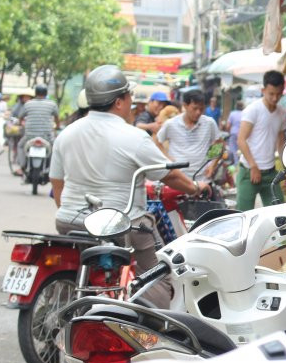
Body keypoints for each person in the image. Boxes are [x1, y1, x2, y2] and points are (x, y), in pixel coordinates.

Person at [49, 65, 209, 308]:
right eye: (129, 97)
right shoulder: (133, 136)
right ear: (119, 102)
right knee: (156, 273)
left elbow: (57, 183)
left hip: (70, 222)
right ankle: (158, 327)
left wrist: (70, 211)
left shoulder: (67, 134)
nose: (132, 102)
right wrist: (195, 187)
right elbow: (170, 176)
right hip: (121, 225)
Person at [236, 70, 286, 210]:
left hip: (271, 172)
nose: (275, 98)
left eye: (278, 94)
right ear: (263, 90)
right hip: (249, 170)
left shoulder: (282, 113)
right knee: (243, 216)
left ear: (283, 91)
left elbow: (281, 142)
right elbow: (241, 140)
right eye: (271, 94)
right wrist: (254, 166)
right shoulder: (253, 110)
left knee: (279, 214)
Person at [156, 90, 221, 179]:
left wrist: (212, 164)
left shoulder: (209, 123)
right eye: (194, 108)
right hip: (178, 179)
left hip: (202, 178)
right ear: (185, 106)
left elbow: (218, 143)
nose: (198, 112)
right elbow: (157, 142)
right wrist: (168, 158)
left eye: (201, 109)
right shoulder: (171, 124)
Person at [17, 84, 59, 178]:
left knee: (20, 145)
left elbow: (20, 117)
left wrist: (21, 124)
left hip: (30, 136)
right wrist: (57, 127)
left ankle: (22, 166)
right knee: (56, 148)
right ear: (46, 93)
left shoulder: (28, 104)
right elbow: (57, 119)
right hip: (47, 136)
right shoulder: (52, 104)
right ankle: (53, 168)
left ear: (35, 93)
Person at [226, 99, 245, 164]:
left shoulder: (232, 113)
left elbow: (228, 125)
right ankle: (241, 163)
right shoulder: (244, 113)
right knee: (242, 150)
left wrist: (229, 132)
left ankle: (236, 163)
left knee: (233, 149)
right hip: (242, 134)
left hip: (233, 133)